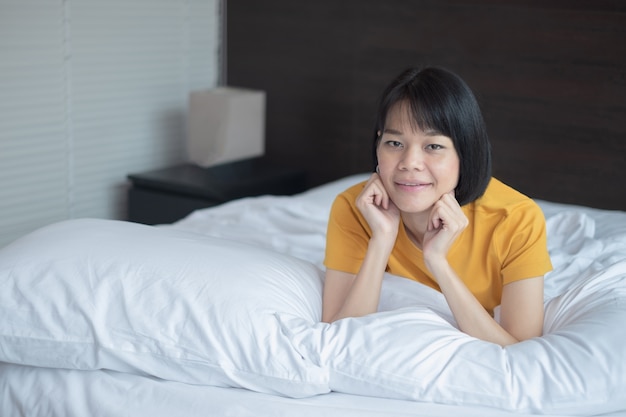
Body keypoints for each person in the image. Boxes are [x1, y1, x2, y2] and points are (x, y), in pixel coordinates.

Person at [322, 67, 552, 346]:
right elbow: (338, 336)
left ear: (465, 152)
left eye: (433, 146)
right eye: (395, 143)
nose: (410, 162)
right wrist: (381, 240)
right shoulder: (354, 208)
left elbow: (521, 350)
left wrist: (437, 262)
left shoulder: (516, 219)